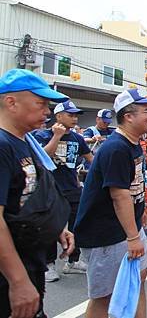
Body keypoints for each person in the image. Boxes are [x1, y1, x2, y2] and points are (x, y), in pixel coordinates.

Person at [74, 88, 147, 318]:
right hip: (107, 233)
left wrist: (140, 212)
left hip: (128, 227)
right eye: (146, 111)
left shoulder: (132, 144)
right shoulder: (116, 148)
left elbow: (134, 185)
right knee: (104, 297)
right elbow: (119, 194)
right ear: (128, 116)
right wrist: (132, 237)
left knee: (138, 280)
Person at [0, 69, 75, 318]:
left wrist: (57, 228)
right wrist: (18, 281)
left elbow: (25, 198)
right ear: (11, 102)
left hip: (30, 261)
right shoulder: (2, 146)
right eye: (41, 103)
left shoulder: (24, 141)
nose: (47, 110)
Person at [34, 100, 93, 282]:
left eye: (76, 115)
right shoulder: (42, 134)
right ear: (58, 116)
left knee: (76, 226)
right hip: (50, 190)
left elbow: (92, 159)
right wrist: (56, 136)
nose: (75, 119)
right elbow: (41, 159)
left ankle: (73, 261)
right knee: (51, 228)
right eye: (71, 115)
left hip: (72, 188)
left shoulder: (77, 138)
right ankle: (48, 265)